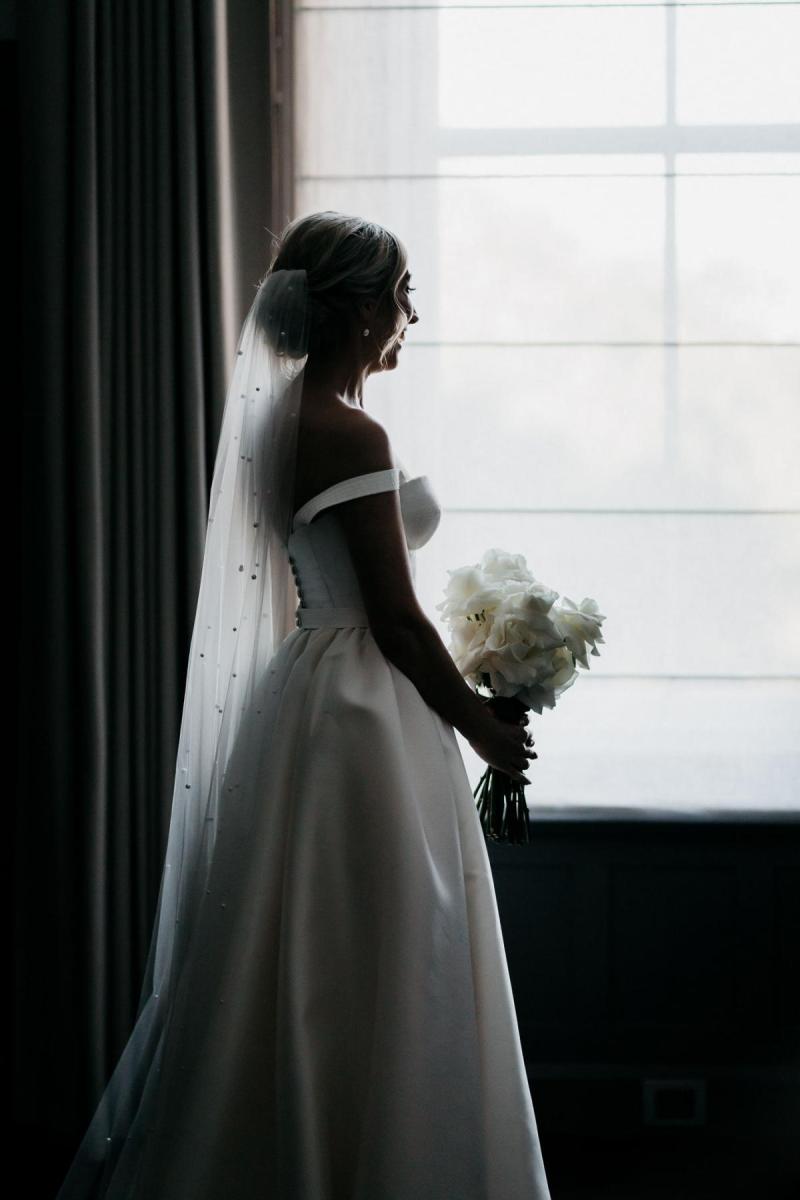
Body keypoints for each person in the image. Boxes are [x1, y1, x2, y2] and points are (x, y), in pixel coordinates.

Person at [55, 211, 551, 1199]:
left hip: (311, 691)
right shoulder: (347, 428)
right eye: (401, 293)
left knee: (306, 937)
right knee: (384, 945)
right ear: (361, 307)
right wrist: (485, 728)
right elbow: (399, 624)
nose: (410, 314)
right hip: (369, 702)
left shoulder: (273, 419)